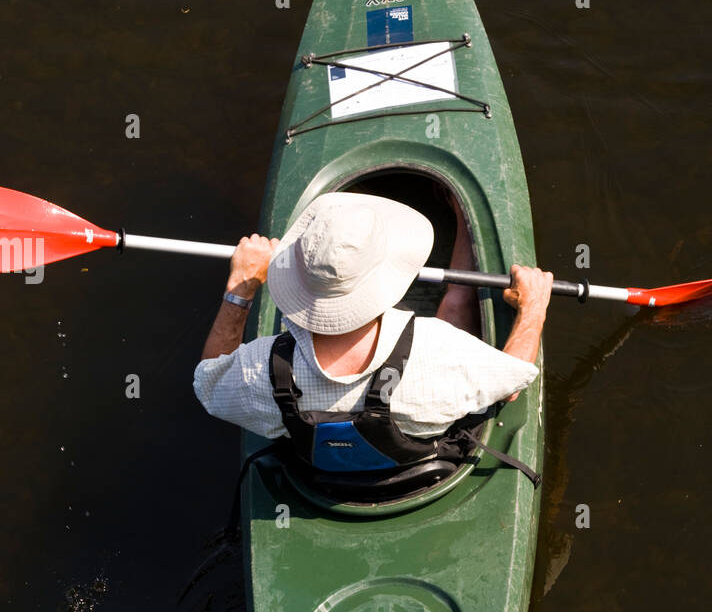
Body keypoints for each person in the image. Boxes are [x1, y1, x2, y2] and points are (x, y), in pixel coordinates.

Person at [193, 191, 552, 476]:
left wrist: (241, 288)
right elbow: (513, 381)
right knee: (458, 301)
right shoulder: (441, 351)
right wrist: (534, 306)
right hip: (418, 467)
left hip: (322, 478)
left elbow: (209, 381)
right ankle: (460, 215)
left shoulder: (260, 368)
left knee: (456, 305)